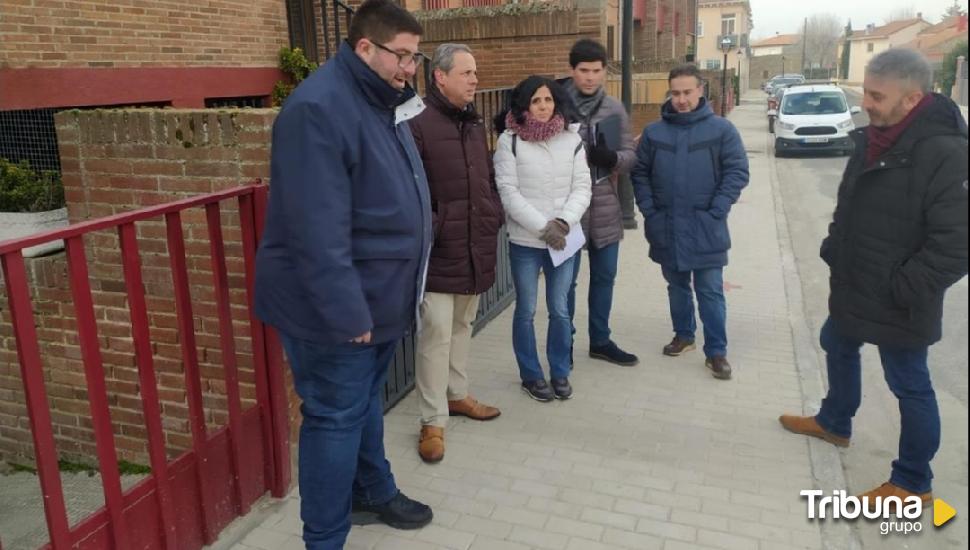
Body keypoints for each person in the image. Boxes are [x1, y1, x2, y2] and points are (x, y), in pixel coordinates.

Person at [253, 1, 434, 547]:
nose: (410, 68)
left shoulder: (382, 100)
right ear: (365, 48)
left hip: (379, 298)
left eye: (415, 56)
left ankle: (372, 492)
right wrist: (347, 311)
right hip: (339, 309)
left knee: (362, 407)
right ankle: (324, 538)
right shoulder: (319, 108)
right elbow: (315, 228)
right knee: (334, 418)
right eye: (402, 56)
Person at [779, 49, 968, 508]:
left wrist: (903, 287)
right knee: (835, 342)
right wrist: (833, 247)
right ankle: (835, 422)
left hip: (902, 298)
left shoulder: (947, 152)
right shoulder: (869, 138)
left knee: (909, 383)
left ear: (912, 99)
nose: (866, 102)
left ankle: (912, 482)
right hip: (854, 282)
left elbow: (957, 244)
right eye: (865, 90)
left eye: (876, 95)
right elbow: (848, 203)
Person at [408, 43, 503, 464]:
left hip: (475, 244)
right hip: (440, 250)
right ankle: (432, 420)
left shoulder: (472, 124)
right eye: (467, 73)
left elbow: (486, 176)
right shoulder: (417, 123)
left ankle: (457, 394)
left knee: (464, 325)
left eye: (476, 72)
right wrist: (439, 223)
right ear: (440, 77)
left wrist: (492, 210)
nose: (475, 80)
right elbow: (409, 191)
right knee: (436, 334)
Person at [631, 64, 749, 380]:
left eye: (687, 92)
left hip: (706, 226)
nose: (681, 99)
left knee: (710, 290)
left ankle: (717, 352)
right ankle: (684, 335)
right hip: (666, 225)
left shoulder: (722, 131)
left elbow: (737, 171)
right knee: (677, 286)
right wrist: (649, 210)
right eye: (675, 93)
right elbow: (639, 172)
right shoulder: (655, 133)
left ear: (700, 91)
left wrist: (718, 209)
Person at [493, 76, 592, 402]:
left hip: (565, 240)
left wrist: (563, 222)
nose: (543, 106)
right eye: (536, 101)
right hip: (526, 242)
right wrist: (543, 228)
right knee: (526, 309)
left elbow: (582, 187)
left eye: (548, 100)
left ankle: (560, 371)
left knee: (560, 309)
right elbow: (509, 193)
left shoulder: (572, 139)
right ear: (524, 105)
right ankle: (531, 375)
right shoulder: (510, 142)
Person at [561, 39, 639, 367]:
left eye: (596, 71)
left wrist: (612, 159)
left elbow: (630, 155)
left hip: (606, 205)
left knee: (604, 277)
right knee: (566, 281)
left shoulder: (615, 109)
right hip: (569, 208)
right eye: (583, 71)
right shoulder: (558, 104)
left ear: (605, 71)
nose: (590, 77)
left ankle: (601, 340)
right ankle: (563, 341)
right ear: (572, 70)